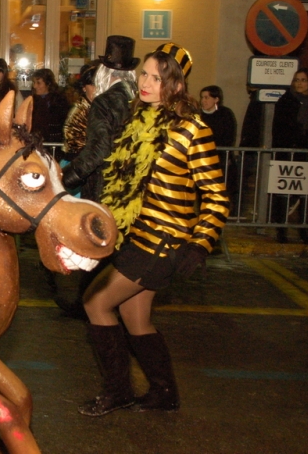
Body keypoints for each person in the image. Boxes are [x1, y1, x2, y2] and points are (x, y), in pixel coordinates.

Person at [79, 43, 229, 417]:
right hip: (136, 236)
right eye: (143, 74)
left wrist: (200, 244)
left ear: (175, 85)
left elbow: (215, 195)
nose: (145, 83)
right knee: (135, 317)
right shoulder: (138, 119)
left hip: (162, 239)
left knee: (96, 303)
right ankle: (164, 392)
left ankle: (118, 391)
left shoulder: (192, 128)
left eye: (156, 78)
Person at [58, 36, 140, 319]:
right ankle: (88, 300)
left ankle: (91, 303)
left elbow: (96, 153)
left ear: (105, 74)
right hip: (129, 192)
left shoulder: (104, 103)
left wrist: (63, 181)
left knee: (101, 247)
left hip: (104, 190)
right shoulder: (138, 100)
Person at [271, 69, 308, 244]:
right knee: (284, 192)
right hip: (289, 153)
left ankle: (304, 230)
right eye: (296, 80)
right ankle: (281, 229)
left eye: (303, 80)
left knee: (307, 194)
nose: (299, 83)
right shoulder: (285, 101)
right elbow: (278, 128)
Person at [28, 68, 71, 147]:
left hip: (55, 144)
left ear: (48, 84)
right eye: (34, 83)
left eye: (38, 83)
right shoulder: (31, 100)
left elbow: (65, 124)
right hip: (35, 143)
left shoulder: (60, 101)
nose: (35, 86)